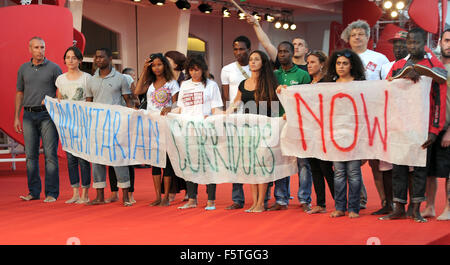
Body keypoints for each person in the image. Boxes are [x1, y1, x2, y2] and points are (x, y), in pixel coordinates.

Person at [381, 28, 447, 223]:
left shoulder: (434, 64)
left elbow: (439, 100)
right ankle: (399, 207)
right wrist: (402, 76)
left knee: (419, 169)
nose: (412, 46)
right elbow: (387, 91)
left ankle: (416, 208)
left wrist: (434, 130)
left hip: (422, 125)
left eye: (416, 43)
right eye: (409, 43)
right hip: (400, 124)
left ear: (424, 42)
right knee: (398, 167)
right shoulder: (399, 65)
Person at [341, 19, 390, 210]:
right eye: (353, 34)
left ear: (368, 37)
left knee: (377, 163)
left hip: (374, 116)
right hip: (350, 117)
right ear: (348, 38)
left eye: (361, 34)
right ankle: (358, 199)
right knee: (351, 161)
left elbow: (388, 85)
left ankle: (386, 201)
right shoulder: (342, 58)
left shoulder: (379, 59)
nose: (357, 37)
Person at [225, 50, 278, 212]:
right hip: (248, 130)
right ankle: (254, 202)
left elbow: (275, 108)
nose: (253, 62)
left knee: (262, 165)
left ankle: (262, 203)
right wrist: (220, 115)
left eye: (256, 59)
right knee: (252, 165)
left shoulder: (270, 82)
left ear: (263, 62)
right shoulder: (243, 83)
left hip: (265, 129)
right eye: (251, 59)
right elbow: (234, 104)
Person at [85, 47, 134, 207]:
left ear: (109, 59)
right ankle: (99, 195)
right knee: (96, 160)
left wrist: (129, 121)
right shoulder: (91, 80)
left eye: (101, 57)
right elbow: (88, 103)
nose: (98, 60)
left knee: (118, 159)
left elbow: (128, 101)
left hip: (116, 125)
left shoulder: (121, 78)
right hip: (96, 126)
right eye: (96, 57)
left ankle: (125, 195)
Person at [174, 55, 223, 210]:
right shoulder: (184, 85)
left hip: (206, 129)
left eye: (197, 69)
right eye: (191, 70)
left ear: (203, 69)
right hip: (188, 130)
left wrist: (219, 116)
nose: (194, 73)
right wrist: (170, 113)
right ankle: (192, 198)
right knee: (190, 164)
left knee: (209, 164)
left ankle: (211, 200)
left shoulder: (212, 85)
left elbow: (216, 108)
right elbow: (180, 108)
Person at [15, 36, 62, 203]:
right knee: (30, 156)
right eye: (36, 47)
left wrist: (56, 108)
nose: (40, 51)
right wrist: (16, 117)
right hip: (27, 115)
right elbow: (19, 93)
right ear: (30, 49)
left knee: (50, 155)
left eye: (42, 47)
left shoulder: (54, 68)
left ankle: (51, 193)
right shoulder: (23, 69)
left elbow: (61, 92)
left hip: (47, 115)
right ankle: (33, 192)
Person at [269, 41, 311, 211]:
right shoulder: (273, 75)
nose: (282, 54)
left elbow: (307, 100)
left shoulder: (303, 75)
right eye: (280, 51)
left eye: (286, 51)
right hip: (278, 123)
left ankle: (304, 198)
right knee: (281, 160)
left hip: (298, 124)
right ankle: (281, 199)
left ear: (292, 53)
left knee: (303, 162)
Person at [324, 49, 366, 218]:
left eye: (345, 63)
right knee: (339, 173)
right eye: (338, 63)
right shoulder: (329, 85)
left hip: (355, 134)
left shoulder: (360, 85)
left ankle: (354, 208)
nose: (341, 66)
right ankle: (340, 207)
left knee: (354, 174)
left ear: (352, 65)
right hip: (336, 135)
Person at [134, 53, 180, 206]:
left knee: (165, 161)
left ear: (165, 65)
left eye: (159, 64)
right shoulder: (150, 82)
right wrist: (144, 69)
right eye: (153, 65)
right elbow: (137, 91)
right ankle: (157, 197)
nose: (156, 68)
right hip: (151, 125)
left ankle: (166, 196)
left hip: (166, 125)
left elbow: (177, 104)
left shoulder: (172, 83)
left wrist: (169, 107)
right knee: (155, 161)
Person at [371, 31, 409, 215]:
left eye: (402, 44)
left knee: (407, 165)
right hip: (387, 119)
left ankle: (407, 205)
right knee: (386, 164)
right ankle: (388, 203)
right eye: (395, 44)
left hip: (407, 120)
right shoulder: (385, 67)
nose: (398, 47)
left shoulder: (414, 64)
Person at [55, 46, 92, 204]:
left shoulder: (87, 78)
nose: (70, 60)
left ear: (80, 60)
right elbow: (59, 98)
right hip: (66, 124)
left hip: (83, 122)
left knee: (83, 158)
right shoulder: (60, 79)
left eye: (74, 58)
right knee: (71, 159)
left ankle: (85, 193)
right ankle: (75, 192)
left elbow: (90, 100)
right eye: (68, 57)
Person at [421, 28, 450, 221]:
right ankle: (430, 206)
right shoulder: (433, 65)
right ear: (440, 41)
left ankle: (448, 207)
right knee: (429, 171)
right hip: (430, 127)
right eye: (447, 40)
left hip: (448, 128)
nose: (449, 44)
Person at [221, 36, 252, 210]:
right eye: (235, 49)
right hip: (234, 118)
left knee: (256, 156)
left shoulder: (257, 66)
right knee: (235, 158)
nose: (238, 52)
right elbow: (226, 96)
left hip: (255, 115)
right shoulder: (227, 70)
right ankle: (237, 198)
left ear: (249, 49)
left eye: (241, 49)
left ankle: (263, 195)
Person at [304, 50, 335, 214]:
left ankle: (339, 202)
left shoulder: (329, 82)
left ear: (322, 64)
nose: (309, 65)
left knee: (325, 168)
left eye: (313, 62)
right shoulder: (308, 85)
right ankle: (320, 203)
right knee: (314, 168)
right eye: (308, 62)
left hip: (325, 132)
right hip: (310, 132)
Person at [164, 50, 188, 202]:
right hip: (167, 122)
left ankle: (189, 190)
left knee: (184, 156)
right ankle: (171, 190)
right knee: (169, 157)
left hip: (183, 122)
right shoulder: (163, 79)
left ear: (177, 63)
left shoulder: (184, 80)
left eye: (168, 59)